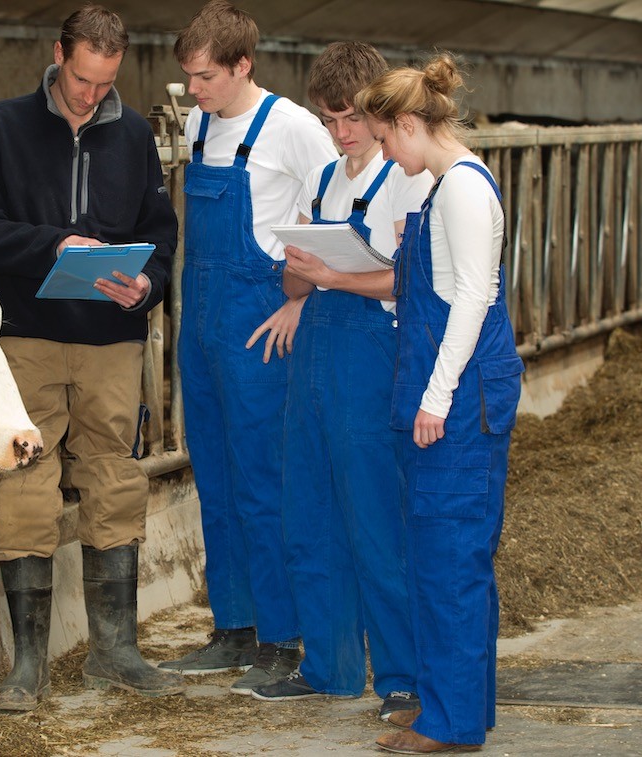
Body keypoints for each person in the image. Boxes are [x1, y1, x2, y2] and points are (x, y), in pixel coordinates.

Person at [0, 4, 184, 712]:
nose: (92, 94)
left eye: (105, 81)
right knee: (25, 475)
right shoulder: (2, 125)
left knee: (114, 476)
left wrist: (146, 283)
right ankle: (28, 665)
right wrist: (54, 244)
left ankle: (115, 650)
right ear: (59, 55)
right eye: (83, 78)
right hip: (25, 331)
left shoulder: (134, 135)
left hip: (110, 339)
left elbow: (160, 230)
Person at [246, 42, 431, 727]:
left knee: (375, 524)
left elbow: (408, 277)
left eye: (351, 118)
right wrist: (299, 276)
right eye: (329, 121)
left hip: (367, 359)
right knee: (310, 515)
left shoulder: (404, 178)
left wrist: (328, 277)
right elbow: (292, 275)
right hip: (314, 362)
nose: (342, 134)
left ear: (376, 110)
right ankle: (328, 666)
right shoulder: (323, 179)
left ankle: (404, 678)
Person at [157, 0, 337, 696]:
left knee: (265, 476)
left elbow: (337, 208)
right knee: (216, 472)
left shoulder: (291, 127)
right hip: (201, 317)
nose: (193, 90)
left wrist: (300, 296)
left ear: (241, 65)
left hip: (257, 313)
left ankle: (281, 632)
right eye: (189, 76)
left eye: (204, 77)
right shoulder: (201, 123)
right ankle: (231, 625)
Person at [355, 54, 524, 754]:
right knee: (437, 554)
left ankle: (449, 723)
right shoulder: (440, 188)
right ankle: (452, 702)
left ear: (406, 125)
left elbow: (472, 302)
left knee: (451, 557)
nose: (386, 156)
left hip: (457, 398)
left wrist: (434, 395)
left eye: (385, 140)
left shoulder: (460, 189)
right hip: (442, 389)